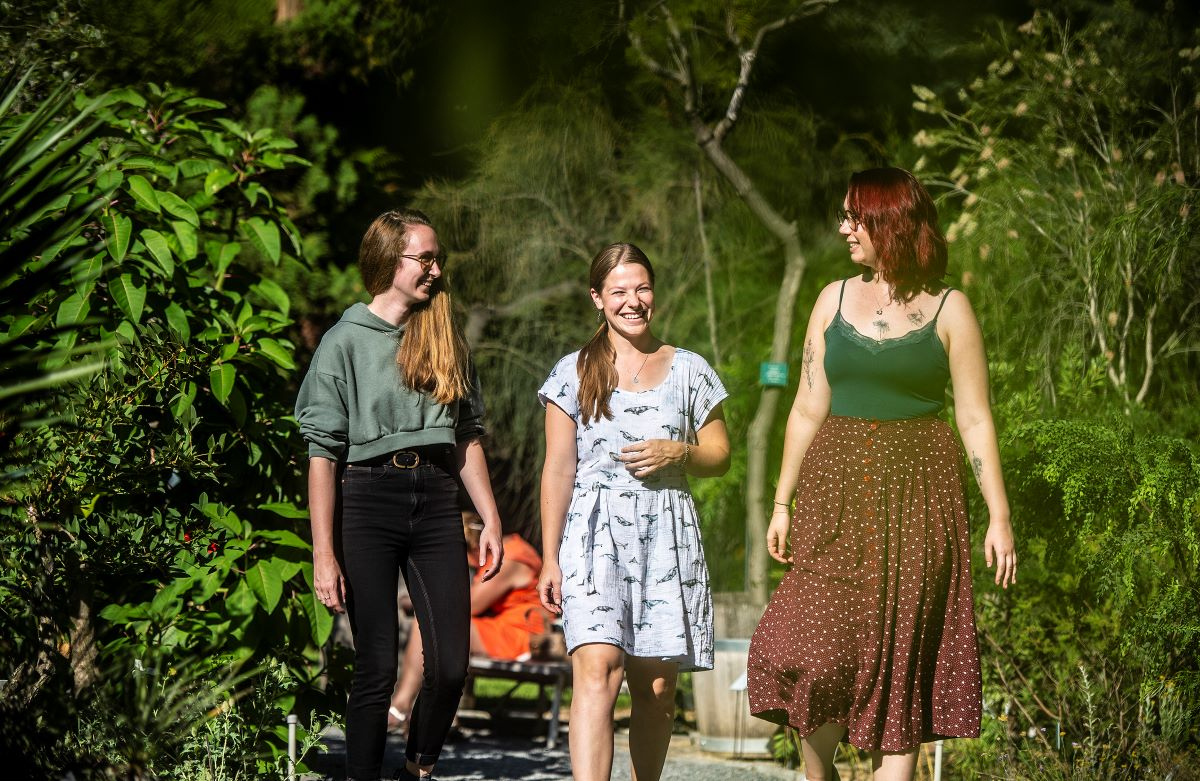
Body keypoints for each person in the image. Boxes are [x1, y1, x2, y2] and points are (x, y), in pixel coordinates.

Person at [746, 168, 1017, 781]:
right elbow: (807, 407)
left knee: (900, 666)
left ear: (889, 222)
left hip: (919, 500)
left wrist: (998, 517)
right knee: (796, 647)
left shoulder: (950, 309)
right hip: (834, 496)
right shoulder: (832, 298)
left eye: (854, 217)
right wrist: (782, 502)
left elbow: (975, 418)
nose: (844, 227)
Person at [295, 208, 505, 781]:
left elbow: (466, 437)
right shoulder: (344, 342)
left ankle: (417, 768)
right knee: (377, 667)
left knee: (451, 666)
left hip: (436, 499)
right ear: (389, 261)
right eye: (424, 258)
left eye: (439, 259)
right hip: (368, 500)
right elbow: (322, 454)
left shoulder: (444, 339)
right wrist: (323, 553)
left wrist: (490, 517)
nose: (436, 269)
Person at [537, 243, 731, 781]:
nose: (633, 301)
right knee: (597, 671)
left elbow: (720, 455)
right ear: (597, 298)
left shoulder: (690, 369)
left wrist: (680, 452)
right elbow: (557, 469)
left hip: (666, 535)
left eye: (642, 288)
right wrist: (549, 557)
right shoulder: (573, 372)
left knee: (657, 690)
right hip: (593, 535)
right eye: (619, 291)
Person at [387, 511, 550, 733]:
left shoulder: (509, 558)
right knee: (435, 622)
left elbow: (469, 604)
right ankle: (433, 712)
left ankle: (402, 705)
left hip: (524, 638)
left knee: (433, 621)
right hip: (506, 629)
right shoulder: (507, 550)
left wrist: (421, 601)